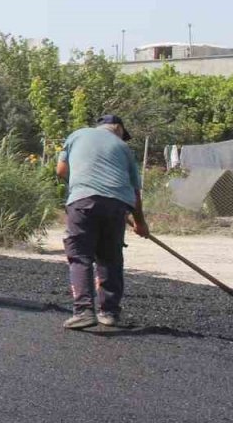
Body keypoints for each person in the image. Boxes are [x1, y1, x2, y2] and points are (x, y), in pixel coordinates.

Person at [56, 114, 149, 330]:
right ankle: (109, 313)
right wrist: (140, 223)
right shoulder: (125, 149)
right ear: (117, 128)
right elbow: (135, 193)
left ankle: (84, 312)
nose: (122, 137)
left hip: (83, 200)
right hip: (118, 205)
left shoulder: (77, 135)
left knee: (80, 255)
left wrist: (85, 184)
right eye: (122, 133)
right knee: (110, 258)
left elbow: (61, 170)